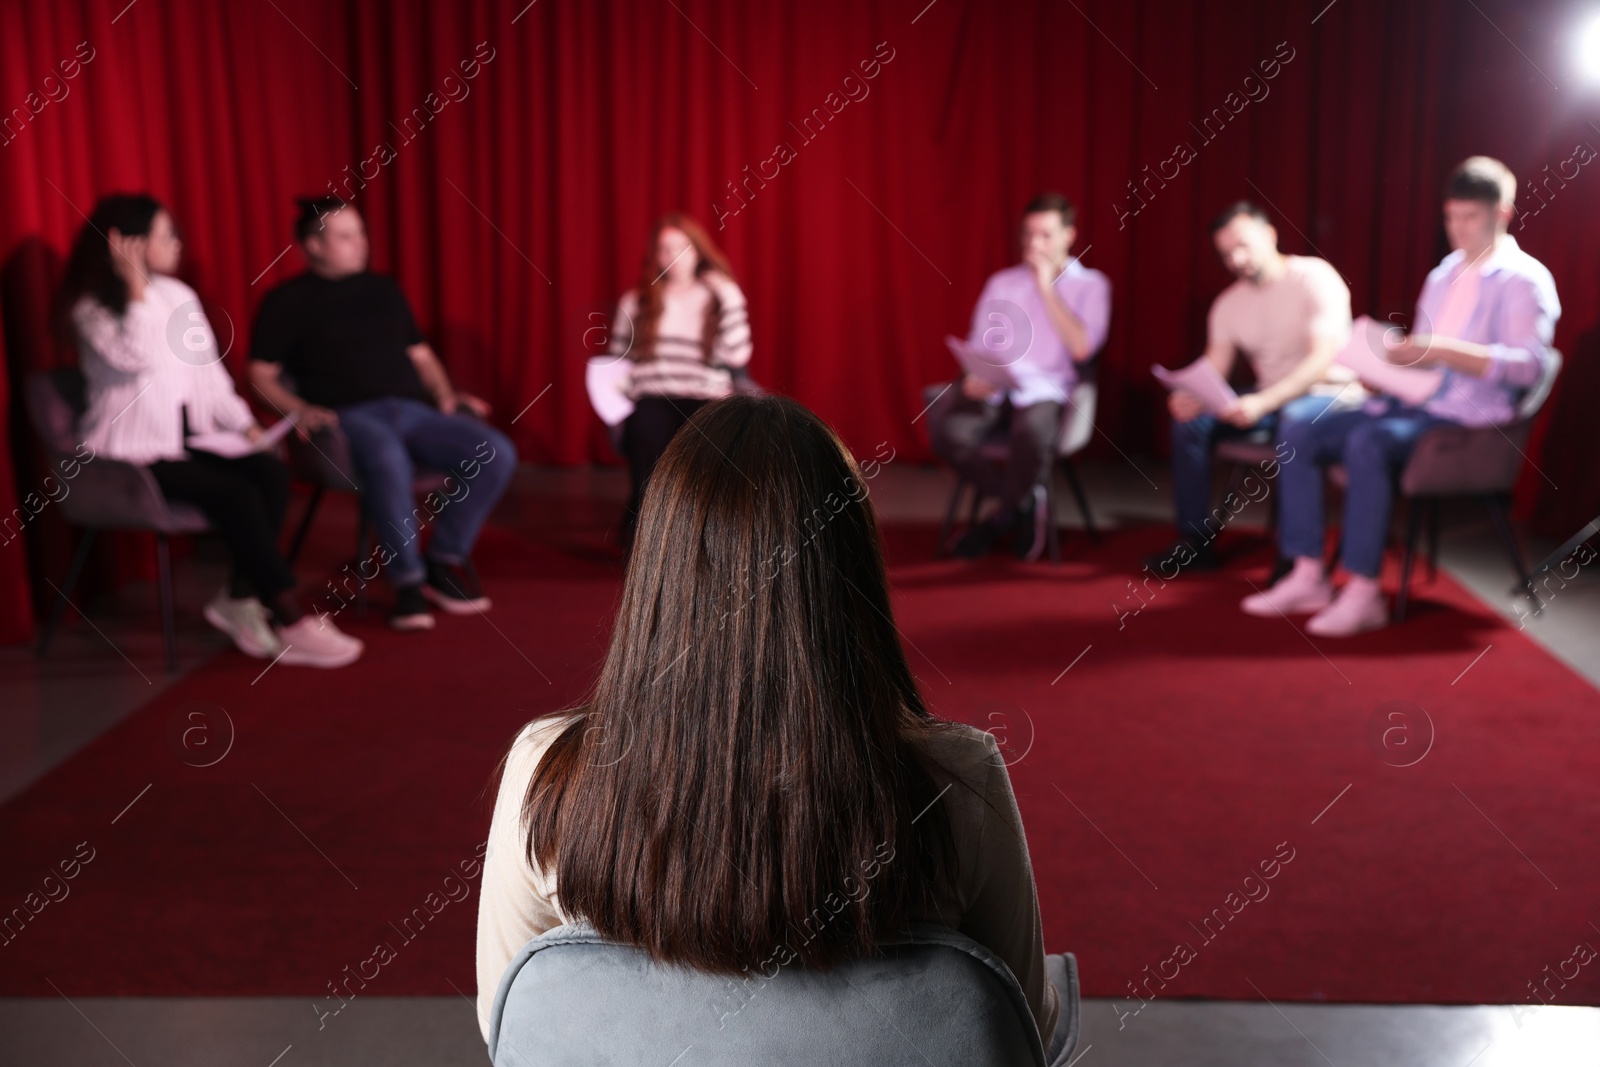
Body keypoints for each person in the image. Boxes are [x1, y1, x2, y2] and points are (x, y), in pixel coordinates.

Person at [476, 395, 1062, 1050]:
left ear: (658, 565)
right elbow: (1025, 1027)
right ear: (853, 566)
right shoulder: (958, 777)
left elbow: (511, 1020)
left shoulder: (546, 767)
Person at [1243, 157, 1559, 635]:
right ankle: (1307, 571)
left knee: (1368, 440)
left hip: (1468, 419)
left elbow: (1528, 366)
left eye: (1470, 218)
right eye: (1451, 217)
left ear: (1503, 213)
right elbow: (1422, 351)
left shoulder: (1524, 279)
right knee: (1300, 421)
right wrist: (1389, 364)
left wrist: (1442, 351)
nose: (1458, 229)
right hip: (1415, 402)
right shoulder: (1442, 274)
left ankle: (1364, 591)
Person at [59, 193, 362, 667]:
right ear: (125, 242)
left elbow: (210, 374)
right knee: (235, 495)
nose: (177, 244)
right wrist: (135, 282)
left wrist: (243, 426)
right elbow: (132, 356)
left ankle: (237, 601)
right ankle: (288, 615)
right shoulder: (90, 307)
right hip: (127, 454)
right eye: (165, 236)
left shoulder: (179, 295)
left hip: (187, 440)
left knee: (270, 472)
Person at [248, 197, 518, 631]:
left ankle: (443, 560)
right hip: (349, 417)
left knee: (495, 450)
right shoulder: (285, 301)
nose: (361, 244)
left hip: (412, 410)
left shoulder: (385, 290)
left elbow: (422, 355)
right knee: (387, 458)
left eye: (361, 233)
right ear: (313, 246)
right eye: (346, 236)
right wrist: (298, 408)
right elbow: (259, 375)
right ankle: (407, 583)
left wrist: (445, 395)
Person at [1147, 201, 1354, 574]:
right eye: (1226, 253)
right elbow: (1216, 366)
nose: (1236, 259)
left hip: (1323, 397)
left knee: (1295, 418)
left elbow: (1321, 361)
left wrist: (1263, 401)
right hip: (1268, 398)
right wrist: (1194, 394)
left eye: (1243, 246)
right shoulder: (1229, 303)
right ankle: (1194, 541)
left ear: (1270, 235)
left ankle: (1296, 556)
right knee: (1189, 421)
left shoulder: (1314, 276)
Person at [927, 192, 1110, 561]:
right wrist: (973, 375)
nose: (1033, 244)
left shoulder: (1091, 284)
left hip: (1048, 389)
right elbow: (980, 343)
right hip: (997, 386)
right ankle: (1021, 504)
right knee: (949, 432)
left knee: (1032, 434)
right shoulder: (1002, 282)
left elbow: (1082, 349)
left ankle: (998, 519)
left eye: (1044, 235)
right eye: (1028, 235)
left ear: (1068, 236)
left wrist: (1046, 287)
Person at [606, 212, 752, 541]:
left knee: (706, 448)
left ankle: (703, 538)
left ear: (698, 252)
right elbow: (617, 360)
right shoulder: (637, 301)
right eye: (664, 249)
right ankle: (647, 536)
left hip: (705, 395)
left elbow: (738, 355)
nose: (673, 257)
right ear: (654, 255)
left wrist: (728, 294)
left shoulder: (717, 296)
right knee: (647, 434)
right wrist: (617, 403)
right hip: (653, 394)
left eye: (681, 248)